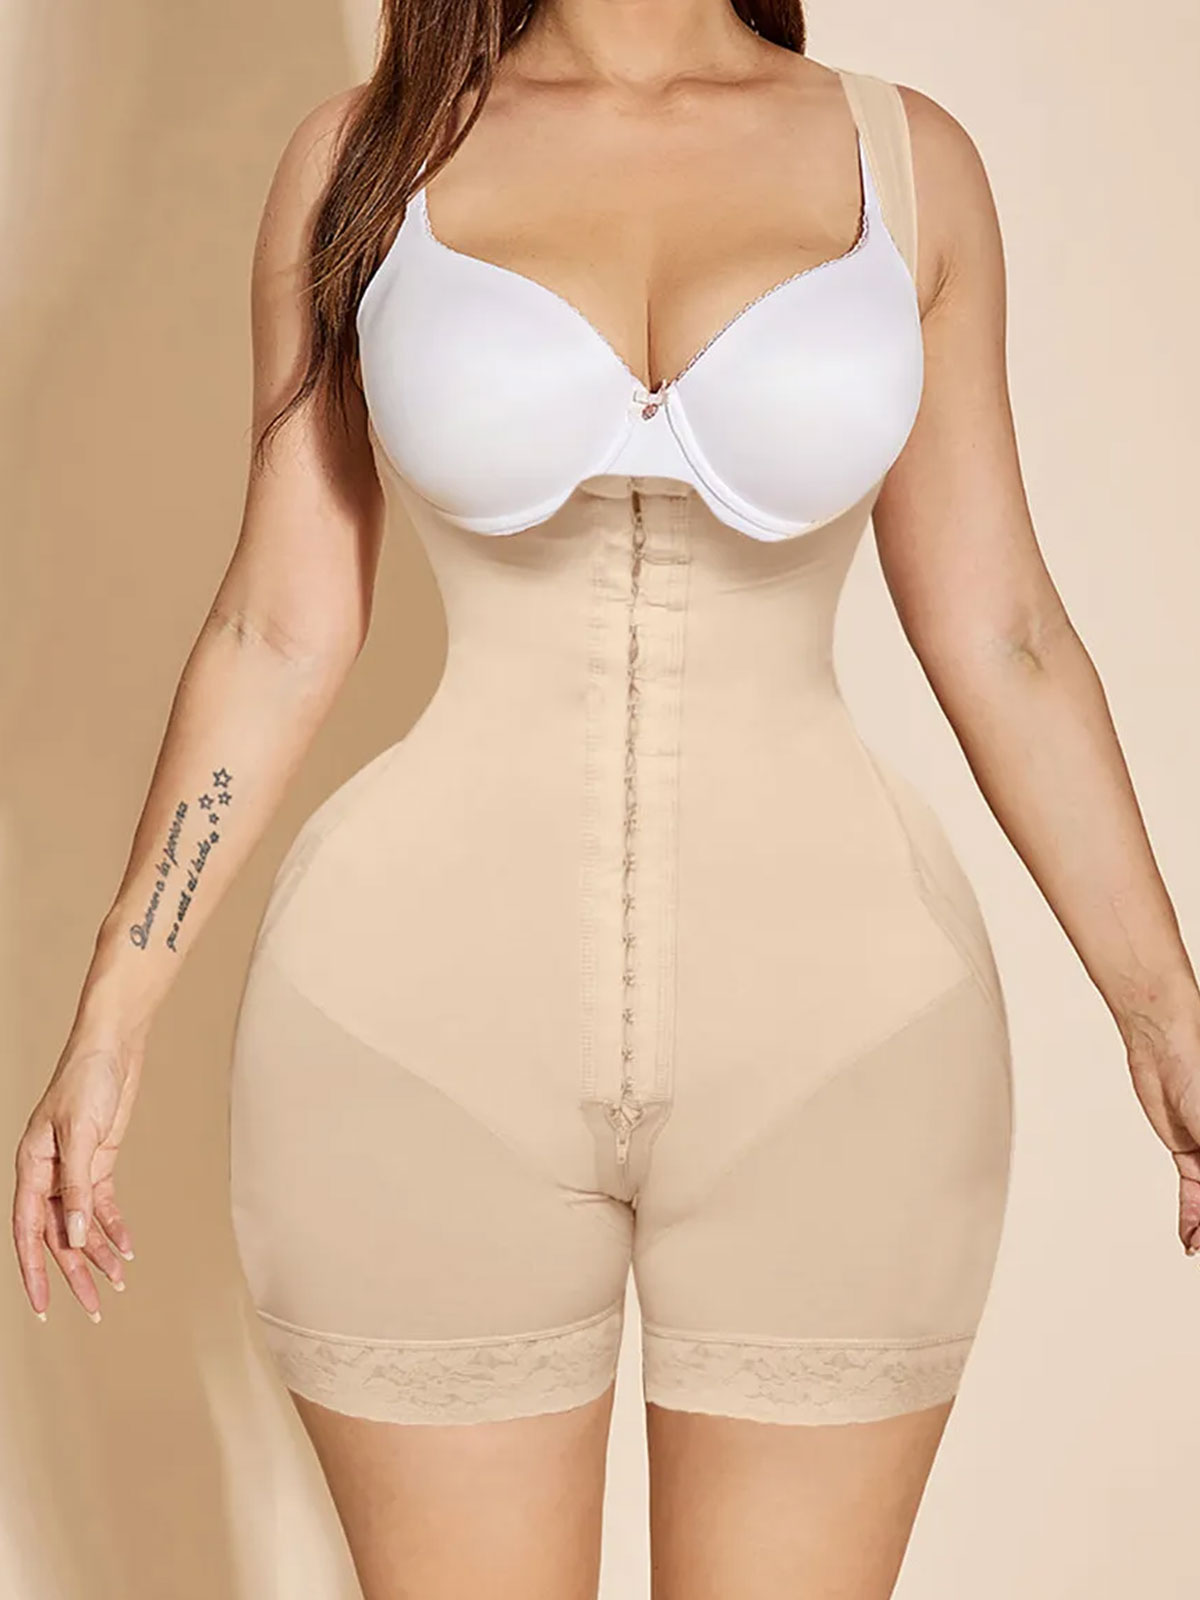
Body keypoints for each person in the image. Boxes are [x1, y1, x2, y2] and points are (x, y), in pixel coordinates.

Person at [13, 2, 1200, 1596]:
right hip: (406, 1038)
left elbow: (1008, 637)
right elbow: (277, 631)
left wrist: (1165, 1016)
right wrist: (114, 1009)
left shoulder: (909, 165)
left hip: (848, 1050)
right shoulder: (363, 163)